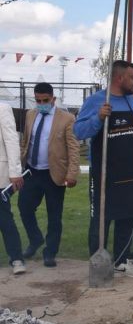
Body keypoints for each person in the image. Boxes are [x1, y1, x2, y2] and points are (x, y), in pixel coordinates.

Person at [74, 60, 133, 279]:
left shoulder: (132, 102)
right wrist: (98, 118)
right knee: (101, 217)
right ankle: (98, 263)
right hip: (103, 171)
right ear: (119, 78)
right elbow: (79, 132)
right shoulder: (97, 101)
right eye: (132, 77)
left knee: (127, 216)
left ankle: (121, 261)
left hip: (130, 170)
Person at [17, 82, 79, 268]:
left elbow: (74, 148)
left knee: (54, 215)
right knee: (24, 207)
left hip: (55, 174)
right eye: (38, 100)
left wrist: (72, 173)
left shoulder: (67, 118)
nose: (41, 103)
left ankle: (50, 252)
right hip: (31, 171)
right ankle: (35, 239)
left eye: (45, 100)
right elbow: (26, 141)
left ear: (53, 99)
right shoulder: (30, 114)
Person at [0, 102, 25, 275]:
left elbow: (11, 139)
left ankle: (17, 258)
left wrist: (15, 171)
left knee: (4, 218)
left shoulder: (2, 108)